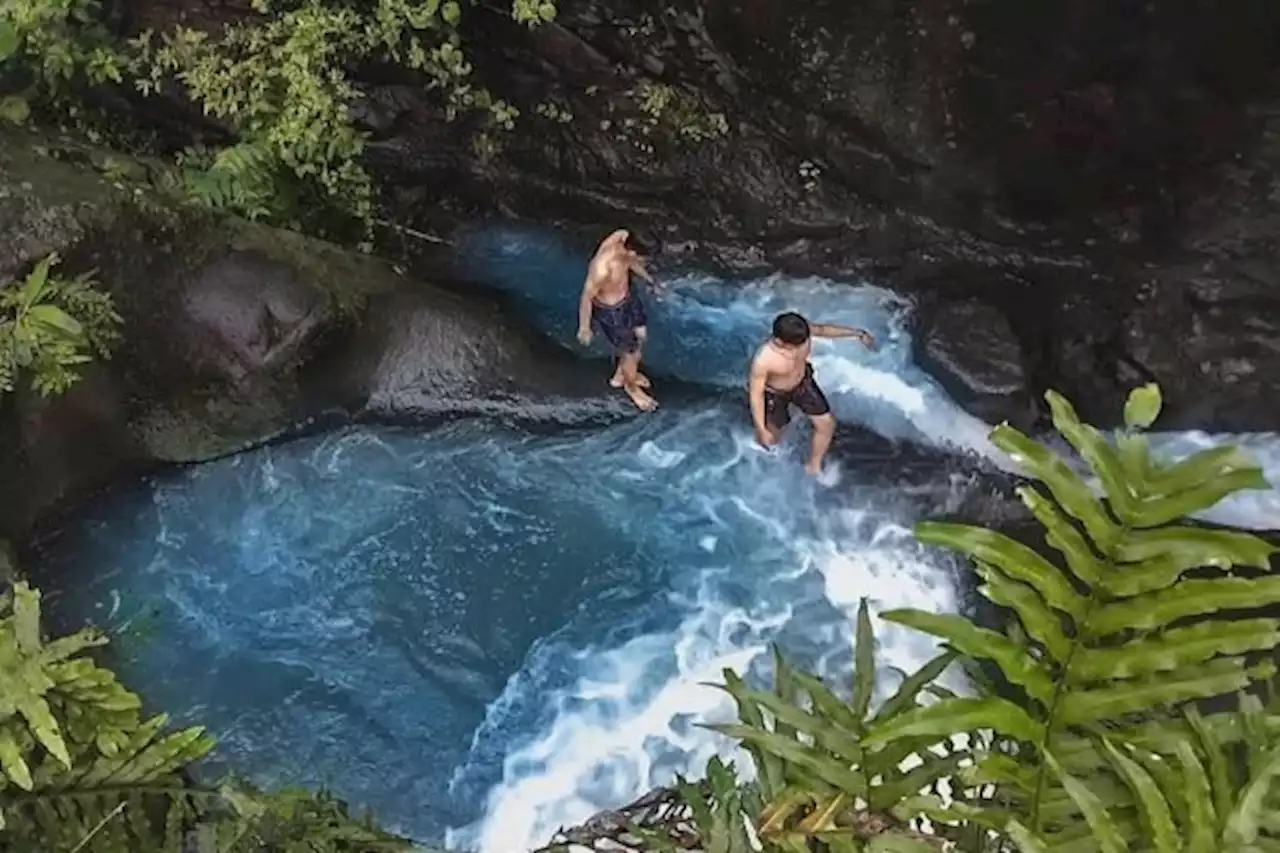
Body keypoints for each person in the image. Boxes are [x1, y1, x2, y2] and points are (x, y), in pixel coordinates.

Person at [748, 311, 876, 475]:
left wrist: (858, 333)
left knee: (826, 424)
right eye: (791, 347)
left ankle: (813, 466)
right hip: (775, 394)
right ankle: (762, 457)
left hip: (802, 383)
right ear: (779, 341)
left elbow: (823, 330)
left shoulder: (801, 332)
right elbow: (756, 395)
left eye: (801, 344)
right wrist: (760, 428)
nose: (795, 351)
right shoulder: (763, 360)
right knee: (771, 438)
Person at [576, 228, 660, 412]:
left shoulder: (622, 236)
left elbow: (630, 262)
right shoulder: (602, 267)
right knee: (631, 351)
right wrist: (584, 327)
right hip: (612, 311)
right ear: (631, 251)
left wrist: (649, 280)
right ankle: (631, 387)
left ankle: (622, 373)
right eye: (644, 258)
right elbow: (586, 296)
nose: (645, 262)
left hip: (628, 298)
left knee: (641, 335)